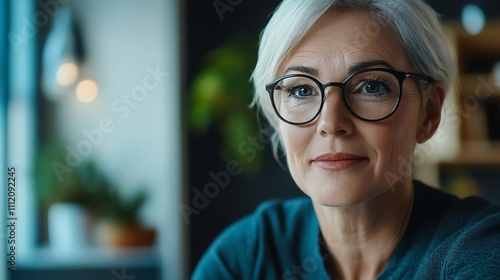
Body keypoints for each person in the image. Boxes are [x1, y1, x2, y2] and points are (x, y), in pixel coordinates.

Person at [192, 0, 500, 279]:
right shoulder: (245, 257)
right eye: (302, 90)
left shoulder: (477, 250)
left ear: (429, 112)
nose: (331, 123)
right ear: (276, 118)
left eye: (370, 86)